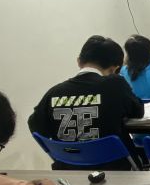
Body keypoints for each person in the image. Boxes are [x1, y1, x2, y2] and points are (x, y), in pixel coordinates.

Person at [28, 35, 143, 170]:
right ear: (114, 69)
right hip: (115, 170)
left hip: (69, 171)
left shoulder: (54, 92)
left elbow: (35, 126)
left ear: (79, 61)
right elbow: (138, 111)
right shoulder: (115, 84)